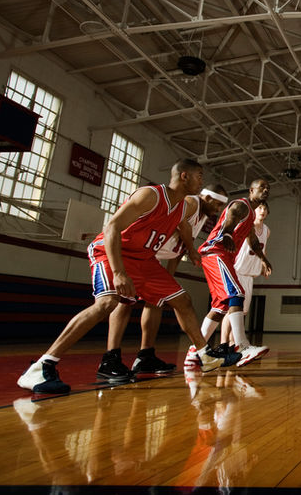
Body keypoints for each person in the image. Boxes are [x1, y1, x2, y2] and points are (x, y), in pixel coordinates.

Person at [17, 159, 224, 394]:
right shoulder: (151, 196)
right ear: (184, 176)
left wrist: (192, 250)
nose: (202, 180)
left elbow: (184, 227)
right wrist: (118, 272)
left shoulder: (184, 207)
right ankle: (43, 365)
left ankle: (205, 356)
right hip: (111, 253)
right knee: (107, 303)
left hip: (144, 260)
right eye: (199, 175)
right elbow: (112, 227)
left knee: (183, 300)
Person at [102, 185, 228, 377]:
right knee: (124, 300)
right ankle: (111, 356)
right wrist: (192, 248)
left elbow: (178, 250)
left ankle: (145, 355)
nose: (218, 210)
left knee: (157, 302)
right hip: (137, 252)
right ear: (208, 199)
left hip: (154, 258)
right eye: (218, 205)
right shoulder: (192, 202)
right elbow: (181, 224)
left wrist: (170, 276)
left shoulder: (201, 216)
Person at [192, 179, 272, 368]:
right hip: (215, 252)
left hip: (224, 257)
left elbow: (252, 241)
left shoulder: (250, 215)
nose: (266, 190)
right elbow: (230, 217)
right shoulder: (241, 205)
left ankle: (196, 351)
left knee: (220, 306)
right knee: (236, 294)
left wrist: (263, 259)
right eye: (262, 187)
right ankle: (242, 346)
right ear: (252, 190)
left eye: (268, 188)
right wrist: (227, 234)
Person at [221, 202, 272, 347]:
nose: (262, 211)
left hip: (250, 274)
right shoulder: (245, 226)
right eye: (259, 208)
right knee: (232, 310)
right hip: (237, 271)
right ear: (253, 211)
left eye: (264, 208)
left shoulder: (266, 230)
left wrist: (264, 267)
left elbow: (263, 250)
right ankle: (224, 343)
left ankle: (233, 343)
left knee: (241, 312)